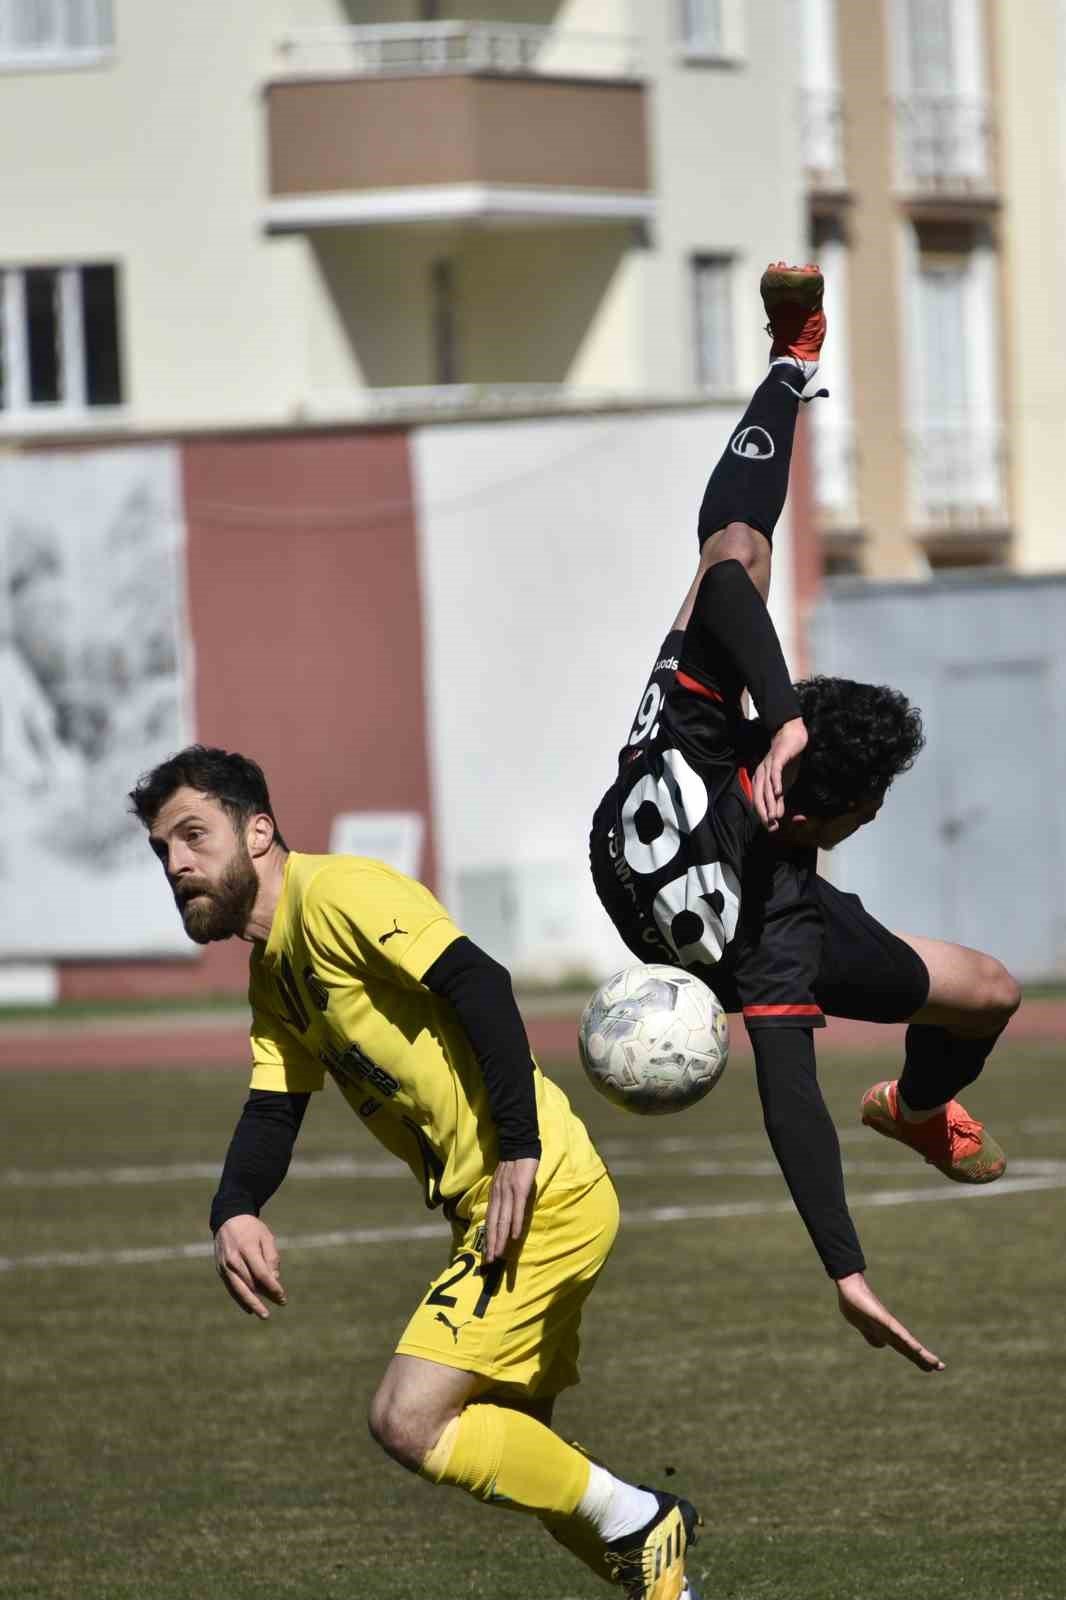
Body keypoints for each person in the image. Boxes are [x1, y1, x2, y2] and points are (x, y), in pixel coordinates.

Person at [129, 746, 702, 1600]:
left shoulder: (341, 895)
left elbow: (478, 980)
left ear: (257, 831)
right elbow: (273, 1106)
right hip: (498, 1208)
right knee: (520, 1451)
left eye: (191, 835)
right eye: (162, 850)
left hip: (537, 1194)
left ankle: (647, 1522)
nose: (177, 864)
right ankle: (663, 1585)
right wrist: (235, 1206)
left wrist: (518, 1146)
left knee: (408, 1420)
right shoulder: (273, 971)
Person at [589, 264, 1020, 1372]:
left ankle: (791, 364)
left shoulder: (694, 729)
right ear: (838, 806)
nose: (877, 817)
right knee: (992, 993)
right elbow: (790, 1106)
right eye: (873, 805)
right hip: (722, 926)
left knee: (729, 556)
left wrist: (772, 715)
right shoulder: (782, 928)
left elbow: (731, 584)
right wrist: (847, 1270)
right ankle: (925, 1105)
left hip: (631, 864)